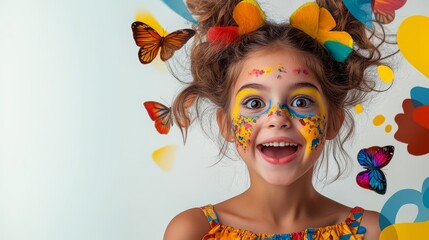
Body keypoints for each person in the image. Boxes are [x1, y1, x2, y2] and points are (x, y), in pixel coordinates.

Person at [163, 0, 392, 239]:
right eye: (255, 103)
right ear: (226, 125)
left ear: (333, 121)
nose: (278, 118)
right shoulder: (194, 231)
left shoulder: (373, 232)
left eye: (301, 102)